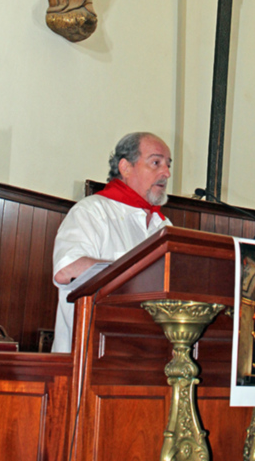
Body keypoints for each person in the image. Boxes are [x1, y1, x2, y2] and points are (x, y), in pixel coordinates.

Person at [52, 132, 172, 352]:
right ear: (125, 167)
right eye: (156, 163)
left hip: (146, 352)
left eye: (168, 165)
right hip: (90, 354)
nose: (166, 173)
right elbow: (66, 269)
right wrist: (139, 272)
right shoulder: (92, 211)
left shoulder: (164, 226)